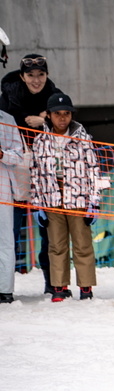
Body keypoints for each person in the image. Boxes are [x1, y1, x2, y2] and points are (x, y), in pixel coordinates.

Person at [30, 92, 101, 302]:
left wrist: (94, 202)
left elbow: (94, 171)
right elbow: (35, 174)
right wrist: (37, 205)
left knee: (82, 243)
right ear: (49, 115)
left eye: (67, 114)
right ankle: (59, 286)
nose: (62, 118)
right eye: (57, 114)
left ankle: (86, 286)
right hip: (52, 198)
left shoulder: (83, 139)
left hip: (78, 197)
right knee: (56, 244)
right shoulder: (40, 141)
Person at [2, 54, 60, 292]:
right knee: (10, 229)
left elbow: (67, 123)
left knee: (50, 228)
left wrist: (45, 119)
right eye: (31, 76)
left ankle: (53, 283)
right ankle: (5, 286)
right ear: (22, 77)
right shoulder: (7, 99)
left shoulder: (55, 96)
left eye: (41, 75)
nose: (37, 80)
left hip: (46, 172)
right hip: (12, 170)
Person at [0, 105, 22, 304]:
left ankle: (5, 289)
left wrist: (2, 155)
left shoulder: (7, 119)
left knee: (5, 240)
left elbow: (18, 155)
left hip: (3, 189)